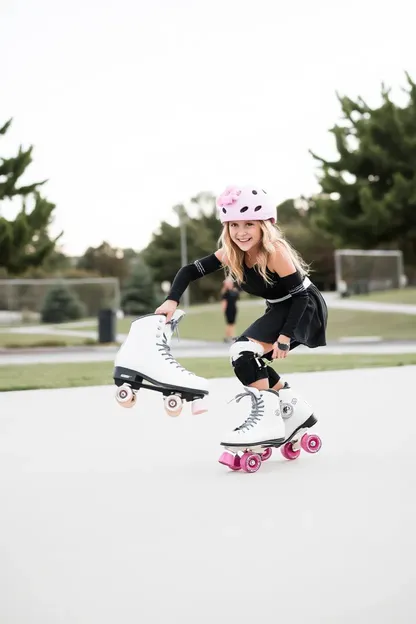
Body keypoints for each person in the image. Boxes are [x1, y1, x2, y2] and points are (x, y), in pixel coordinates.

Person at [155, 184, 328, 450]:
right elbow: (189, 271)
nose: (241, 232)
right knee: (248, 358)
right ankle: (295, 411)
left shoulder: (275, 252)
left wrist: (285, 336)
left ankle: (267, 420)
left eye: (249, 224)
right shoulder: (232, 254)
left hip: (303, 307)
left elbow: (301, 297)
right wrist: (171, 299)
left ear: (264, 226)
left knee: (243, 352)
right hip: (279, 307)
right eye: (233, 225)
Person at [220, 275, 240, 342]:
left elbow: (236, 298)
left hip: (233, 308)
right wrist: (223, 309)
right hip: (228, 309)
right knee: (229, 323)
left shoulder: (234, 291)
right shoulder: (225, 292)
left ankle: (228, 336)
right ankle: (232, 336)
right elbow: (224, 302)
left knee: (232, 323)